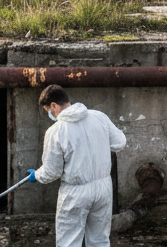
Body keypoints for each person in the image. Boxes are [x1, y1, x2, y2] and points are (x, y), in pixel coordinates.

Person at [27, 85, 127, 247]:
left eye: (48, 110)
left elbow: (52, 172)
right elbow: (120, 142)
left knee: (69, 242)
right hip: (103, 188)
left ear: (54, 105)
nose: (50, 115)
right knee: (100, 240)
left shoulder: (56, 131)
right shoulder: (99, 117)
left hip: (75, 192)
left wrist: (37, 175)